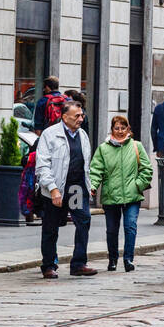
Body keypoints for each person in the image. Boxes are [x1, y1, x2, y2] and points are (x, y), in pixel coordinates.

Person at [35, 99, 98, 278]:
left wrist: (90, 184)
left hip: (76, 189)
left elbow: (87, 164)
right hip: (56, 189)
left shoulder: (83, 135)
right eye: (77, 115)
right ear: (64, 117)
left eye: (82, 115)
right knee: (50, 227)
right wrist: (53, 189)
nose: (81, 118)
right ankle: (48, 265)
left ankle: (78, 263)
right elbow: (42, 166)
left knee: (83, 221)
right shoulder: (50, 134)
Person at [89, 114, 153, 272]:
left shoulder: (136, 146)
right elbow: (96, 170)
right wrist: (93, 186)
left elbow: (147, 169)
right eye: (116, 128)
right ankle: (112, 259)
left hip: (132, 196)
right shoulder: (103, 149)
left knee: (130, 226)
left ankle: (128, 259)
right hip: (111, 196)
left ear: (128, 129)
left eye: (123, 128)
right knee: (111, 230)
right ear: (111, 129)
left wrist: (138, 185)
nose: (120, 131)